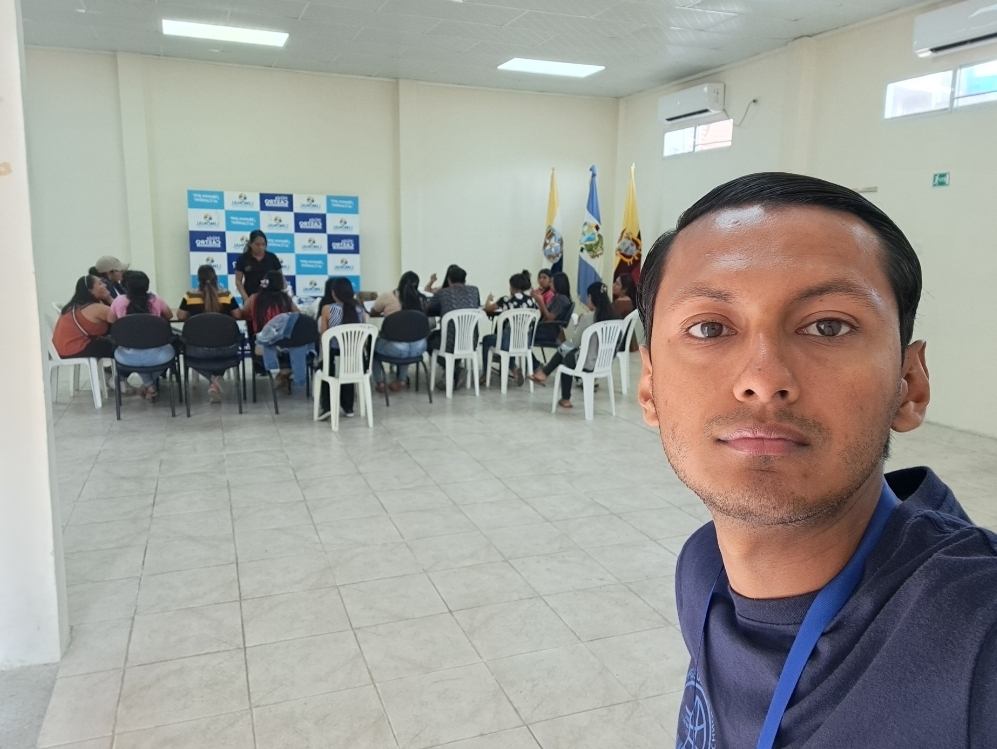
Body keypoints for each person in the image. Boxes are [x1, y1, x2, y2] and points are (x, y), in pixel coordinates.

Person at [634, 172, 997, 748]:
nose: (762, 378)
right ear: (649, 387)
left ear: (909, 384)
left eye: (828, 326)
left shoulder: (976, 641)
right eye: (709, 327)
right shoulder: (703, 570)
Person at [529, 281, 617, 408]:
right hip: (604, 362)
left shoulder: (588, 318)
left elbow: (576, 342)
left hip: (588, 362)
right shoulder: (615, 318)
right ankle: (544, 373)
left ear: (591, 297)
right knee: (566, 350)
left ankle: (565, 398)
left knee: (566, 357)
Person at [177, 265, 242, 403]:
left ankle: (213, 380)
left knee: (190, 357)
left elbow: (181, 316)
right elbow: (237, 315)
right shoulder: (226, 295)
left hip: (198, 350)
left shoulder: (190, 296)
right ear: (216, 278)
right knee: (220, 356)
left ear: (198, 279)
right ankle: (215, 381)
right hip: (226, 349)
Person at [106, 270, 174, 400]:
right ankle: (148, 384)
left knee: (135, 351)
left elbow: (110, 320)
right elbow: (169, 316)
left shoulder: (118, 301)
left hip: (127, 357)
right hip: (158, 357)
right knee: (172, 351)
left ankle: (148, 385)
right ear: (147, 285)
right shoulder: (156, 300)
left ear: (126, 286)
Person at [318, 277, 367, 417]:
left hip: (334, 360)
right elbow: (364, 342)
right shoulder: (360, 310)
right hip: (357, 362)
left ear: (333, 293)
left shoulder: (327, 309)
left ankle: (327, 406)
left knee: (324, 366)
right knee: (347, 364)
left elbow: (324, 338)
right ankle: (348, 407)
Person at [371, 272, 428, 393]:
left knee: (372, 347)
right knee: (408, 336)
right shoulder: (422, 299)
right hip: (419, 347)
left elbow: (373, 312)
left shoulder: (387, 296)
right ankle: (401, 379)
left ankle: (380, 382)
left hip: (397, 349)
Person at [425, 265, 481, 388]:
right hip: (471, 341)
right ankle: (455, 371)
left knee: (429, 340)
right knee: (449, 337)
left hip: (449, 342)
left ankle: (454, 370)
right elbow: (476, 305)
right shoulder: (474, 291)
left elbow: (429, 308)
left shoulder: (443, 293)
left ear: (449, 280)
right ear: (465, 280)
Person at [481, 272, 538, 386]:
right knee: (510, 341)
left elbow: (488, 309)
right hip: (525, 342)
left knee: (487, 339)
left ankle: (485, 374)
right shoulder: (532, 300)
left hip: (507, 342)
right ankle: (514, 369)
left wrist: (488, 300)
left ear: (512, 286)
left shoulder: (506, 300)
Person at [246, 270, 298, 387]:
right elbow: (298, 315)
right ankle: (285, 372)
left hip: (262, 348)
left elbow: (242, 314)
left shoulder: (254, 298)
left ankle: (283, 373)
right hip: (284, 347)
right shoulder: (285, 299)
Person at [52, 274, 115, 360]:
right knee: (116, 347)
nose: (105, 285)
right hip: (74, 349)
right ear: (91, 291)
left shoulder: (73, 306)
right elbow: (119, 317)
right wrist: (109, 298)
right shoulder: (95, 308)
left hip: (61, 348)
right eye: (100, 283)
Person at [531, 271, 573, 368]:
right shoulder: (556, 297)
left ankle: (535, 365)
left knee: (521, 337)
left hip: (549, 331)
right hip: (546, 328)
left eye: (552, 282)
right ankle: (533, 364)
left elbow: (550, 318)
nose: (550, 284)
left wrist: (541, 302)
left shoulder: (561, 299)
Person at [234, 230, 281, 301]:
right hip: (250, 297)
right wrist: (246, 299)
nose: (261, 247)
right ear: (250, 244)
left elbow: (281, 277)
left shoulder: (272, 258)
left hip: (270, 298)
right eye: (257, 244)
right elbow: (238, 281)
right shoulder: (243, 258)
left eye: (263, 244)